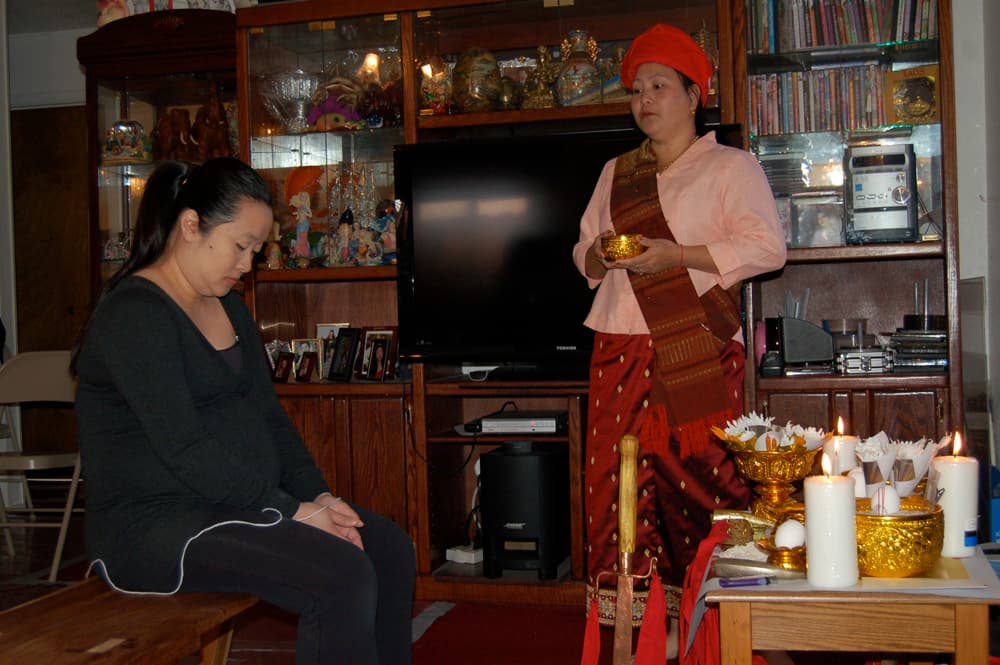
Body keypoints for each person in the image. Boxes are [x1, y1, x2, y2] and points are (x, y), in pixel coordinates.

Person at [71, 157, 415, 665]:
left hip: (229, 508)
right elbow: (185, 448)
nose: (248, 264)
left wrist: (317, 495)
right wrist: (291, 510)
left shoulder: (227, 305)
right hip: (152, 528)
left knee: (385, 547)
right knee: (339, 575)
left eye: (257, 249)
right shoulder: (135, 316)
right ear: (191, 226)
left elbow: (270, 418)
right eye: (240, 246)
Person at [572, 23, 787, 659]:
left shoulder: (730, 166)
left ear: (695, 96)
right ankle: (633, 637)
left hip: (695, 348)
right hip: (617, 347)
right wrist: (601, 259)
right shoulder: (617, 172)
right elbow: (581, 251)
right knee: (616, 493)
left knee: (702, 486)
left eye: (659, 86)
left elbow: (766, 247)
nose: (645, 99)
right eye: (637, 89)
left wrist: (676, 254)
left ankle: (715, 628)